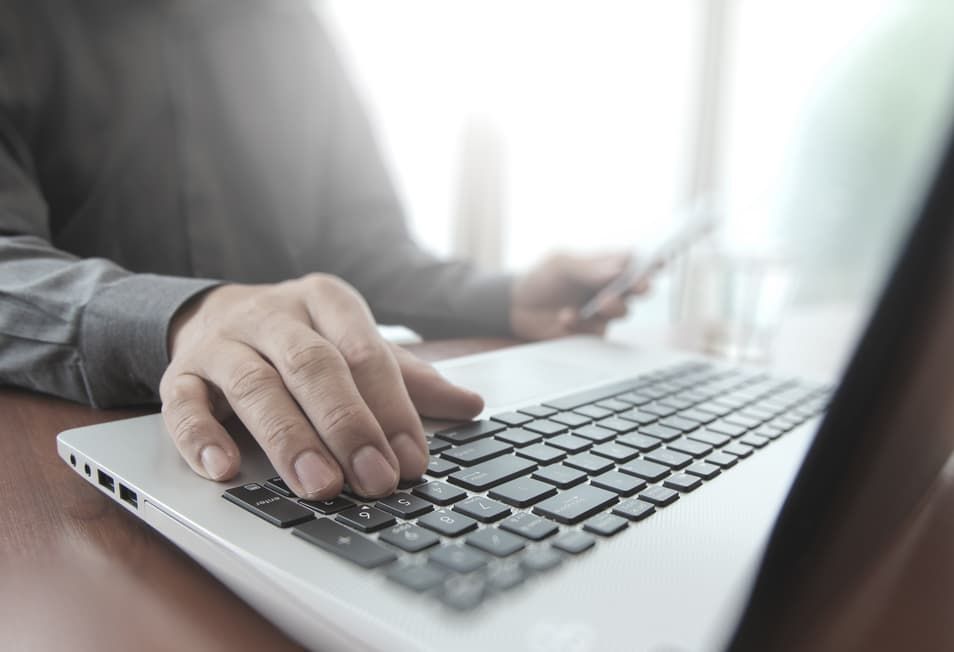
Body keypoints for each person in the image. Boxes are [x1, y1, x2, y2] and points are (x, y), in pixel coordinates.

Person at [0, 1, 638, 501]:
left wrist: (504, 297)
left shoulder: (296, 25)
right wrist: (179, 317)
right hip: (69, 466)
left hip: (304, 441)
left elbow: (365, 249)